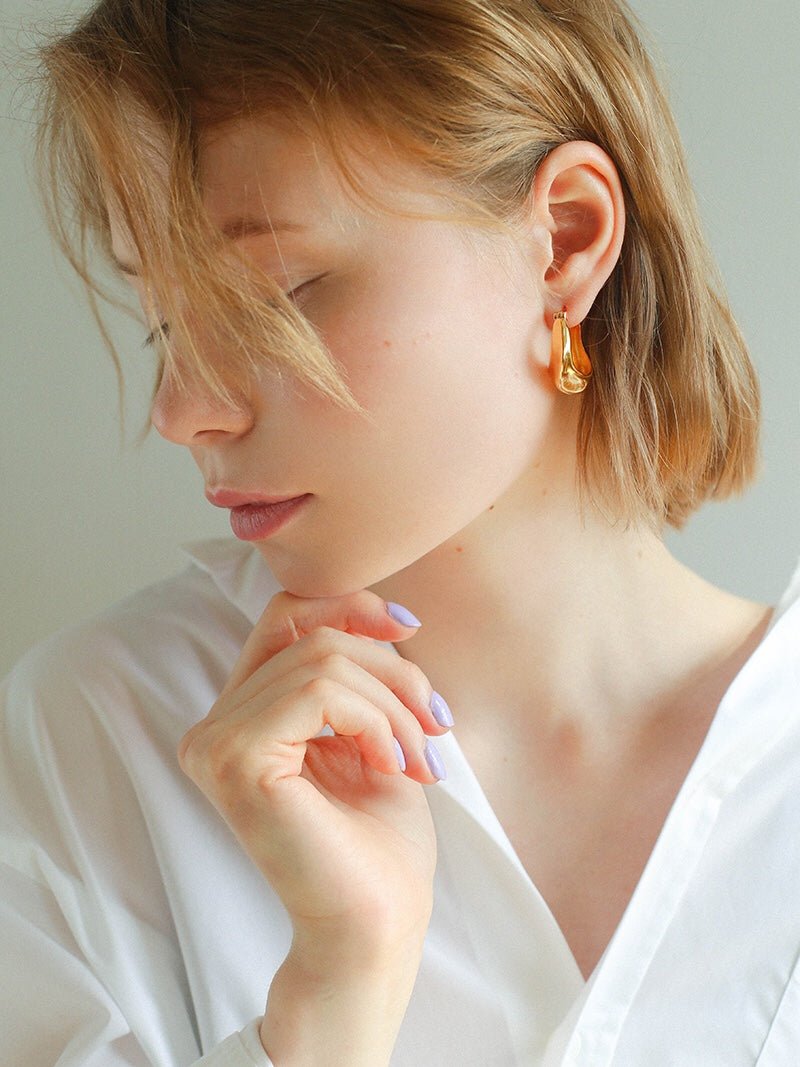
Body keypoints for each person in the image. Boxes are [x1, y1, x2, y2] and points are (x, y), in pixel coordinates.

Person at [2, 0, 798, 1063]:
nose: (182, 408)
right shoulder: (97, 736)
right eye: (161, 318)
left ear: (561, 238)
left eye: (272, 298)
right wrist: (329, 1002)